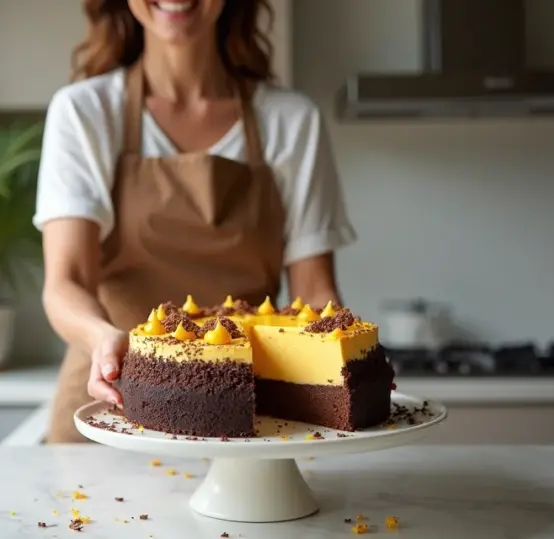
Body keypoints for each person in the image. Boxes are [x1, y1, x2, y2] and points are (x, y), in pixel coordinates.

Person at [33, 0, 356, 443]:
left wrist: (350, 368)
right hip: (111, 403)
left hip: (248, 413)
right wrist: (103, 339)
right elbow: (66, 282)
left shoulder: (291, 121)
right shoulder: (86, 113)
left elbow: (315, 292)